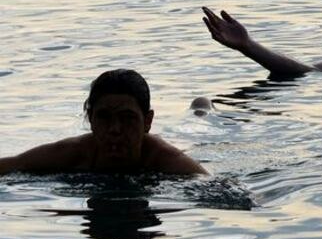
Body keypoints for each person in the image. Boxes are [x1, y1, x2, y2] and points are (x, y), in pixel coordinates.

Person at [0, 69, 206, 175]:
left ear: (147, 121)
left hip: (184, 141)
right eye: (104, 117)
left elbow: (224, 193)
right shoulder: (72, 153)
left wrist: (241, 47)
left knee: (200, 114)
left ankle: (201, 108)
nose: (115, 130)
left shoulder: (165, 159)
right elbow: (10, 165)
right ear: (90, 118)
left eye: (127, 119)